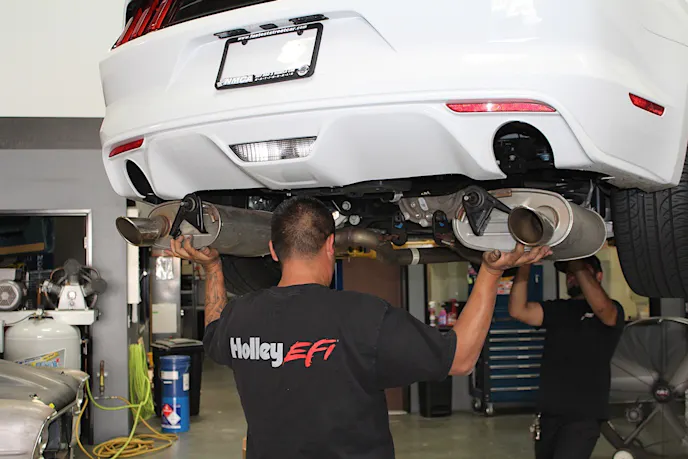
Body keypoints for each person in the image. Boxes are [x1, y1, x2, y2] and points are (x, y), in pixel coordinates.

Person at [166, 196, 551, 459]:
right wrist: (490, 272)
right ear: (330, 246)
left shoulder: (241, 317)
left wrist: (212, 268)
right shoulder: (364, 317)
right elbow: (461, 357)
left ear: (272, 250)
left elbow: (213, 332)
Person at [508, 256, 625, 459]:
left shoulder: (611, 310)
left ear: (598, 276)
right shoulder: (559, 309)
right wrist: (525, 264)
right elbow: (518, 310)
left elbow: (603, 309)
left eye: (579, 271)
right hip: (548, 415)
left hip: (583, 417)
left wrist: (576, 261)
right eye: (568, 274)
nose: (571, 277)